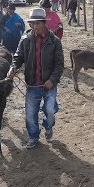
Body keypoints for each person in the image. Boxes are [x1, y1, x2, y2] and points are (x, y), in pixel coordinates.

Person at [7, 8, 64, 149]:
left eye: (37, 23)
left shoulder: (55, 41)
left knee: (50, 110)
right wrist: (13, 67)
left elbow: (59, 65)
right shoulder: (25, 40)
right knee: (30, 114)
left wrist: (53, 80)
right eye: (32, 24)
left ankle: (48, 125)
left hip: (48, 84)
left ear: (44, 23)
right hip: (32, 84)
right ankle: (33, 136)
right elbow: (18, 57)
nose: (34, 27)